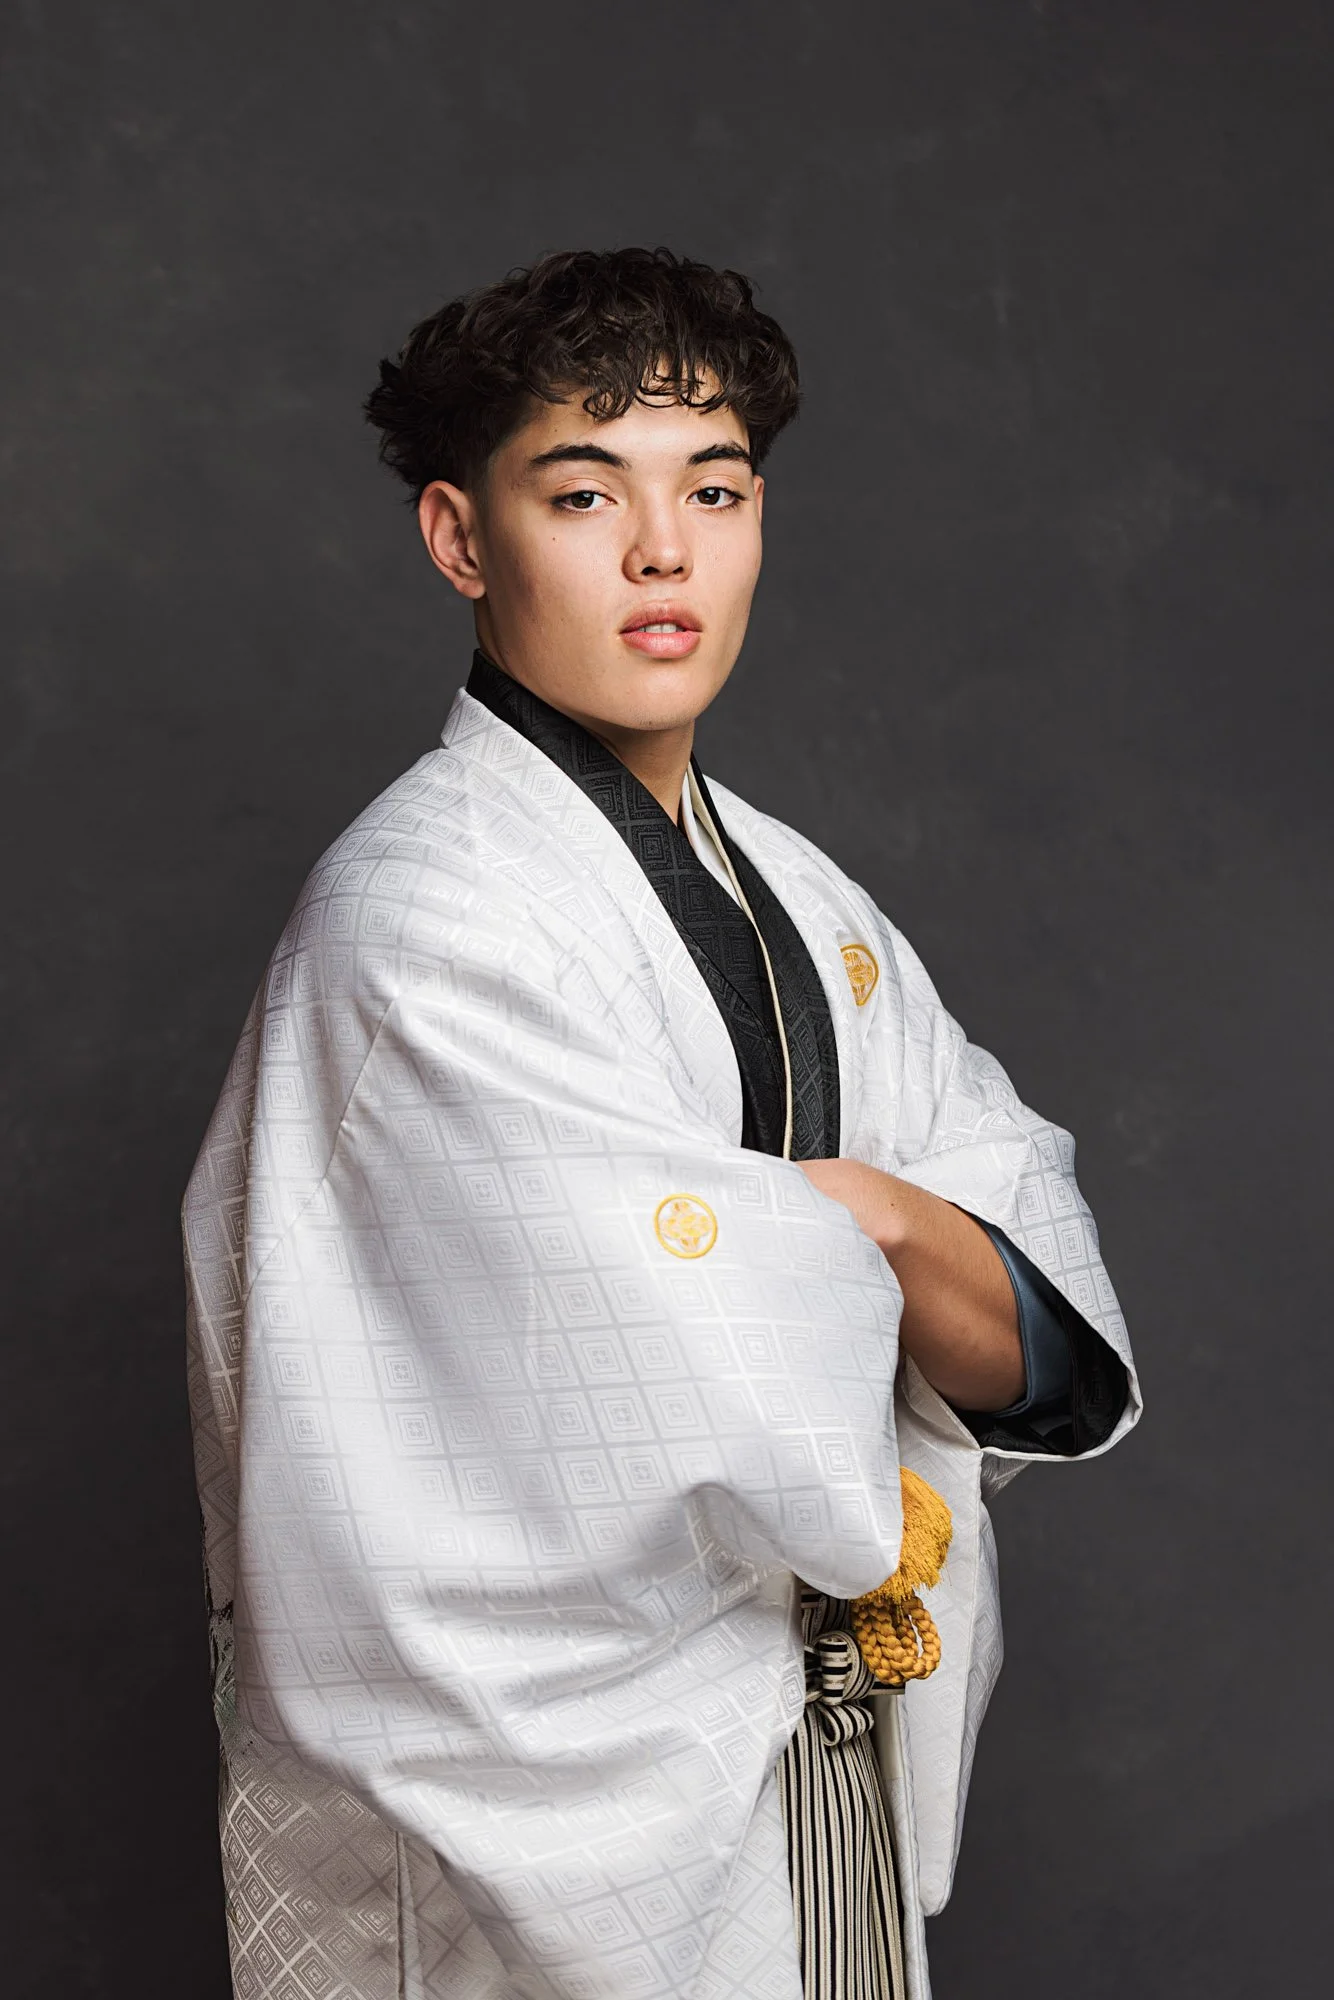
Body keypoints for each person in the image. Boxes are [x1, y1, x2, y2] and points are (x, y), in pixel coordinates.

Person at [184, 247, 1139, 2000]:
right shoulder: (422, 918)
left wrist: (884, 1224)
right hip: (562, 1789)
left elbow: (1035, 1337)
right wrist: (887, 1247)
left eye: (713, 490)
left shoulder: (810, 898)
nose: (660, 552)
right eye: (581, 492)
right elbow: (666, 1362)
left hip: (816, 1742)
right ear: (461, 539)